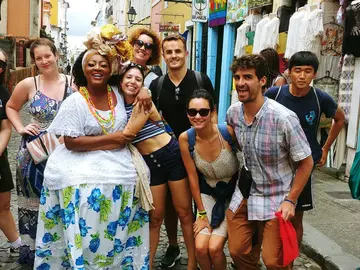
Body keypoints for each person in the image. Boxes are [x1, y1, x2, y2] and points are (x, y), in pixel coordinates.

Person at [34, 26, 152, 269]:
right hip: (78, 161)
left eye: (103, 64)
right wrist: (116, 139)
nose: (98, 68)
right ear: (83, 69)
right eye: (92, 64)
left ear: (111, 70)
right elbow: (71, 142)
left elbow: (137, 82)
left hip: (119, 166)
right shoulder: (75, 101)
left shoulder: (119, 94)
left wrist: (144, 90)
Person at [226, 54, 314, 269]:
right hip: (246, 192)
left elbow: (306, 162)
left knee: (275, 261)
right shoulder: (233, 113)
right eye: (237, 77)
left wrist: (291, 200)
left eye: (247, 77)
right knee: (237, 250)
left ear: (262, 81)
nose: (240, 83)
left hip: (277, 195)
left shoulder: (283, 118)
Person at [149, 34, 217, 268]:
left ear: (186, 53)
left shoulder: (200, 80)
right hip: (167, 154)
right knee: (168, 205)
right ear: (164, 56)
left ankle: (200, 248)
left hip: (196, 151)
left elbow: (213, 113)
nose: (174, 56)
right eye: (169, 52)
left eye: (178, 51)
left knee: (193, 203)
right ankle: (173, 246)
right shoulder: (157, 85)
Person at [264, 51, 345, 248]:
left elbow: (340, 119)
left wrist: (325, 148)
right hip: (275, 164)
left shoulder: (320, 98)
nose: (302, 76)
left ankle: (291, 257)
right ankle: (268, 252)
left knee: (296, 216)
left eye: (307, 71)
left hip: (304, 165)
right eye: (297, 70)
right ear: (289, 72)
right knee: (267, 213)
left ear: (314, 74)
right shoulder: (275, 94)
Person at [121, 62, 196, 269]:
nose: (133, 82)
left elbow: (129, 133)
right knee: (155, 218)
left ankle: (191, 263)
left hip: (170, 156)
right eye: (128, 77)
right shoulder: (116, 104)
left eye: (138, 79)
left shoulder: (143, 101)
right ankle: (149, 264)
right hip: (150, 165)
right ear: (120, 80)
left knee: (184, 213)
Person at [6, 38, 72, 265]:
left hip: (66, 152)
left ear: (56, 55)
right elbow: (11, 107)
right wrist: (21, 127)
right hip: (33, 155)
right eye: (39, 58)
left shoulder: (73, 83)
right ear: (34, 62)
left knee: (62, 204)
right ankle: (32, 255)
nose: (44, 61)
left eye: (47, 56)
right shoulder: (28, 84)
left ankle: (59, 254)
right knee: (31, 206)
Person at [178, 89, 239, 270]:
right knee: (200, 248)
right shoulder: (186, 139)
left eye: (203, 112)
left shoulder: (227, 133)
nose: (198, 116)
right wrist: (202, 214)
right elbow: (193, 178)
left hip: (233, 195)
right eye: (192, 112)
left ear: (212, 112)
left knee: (214, 247)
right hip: (208, 195)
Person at [0, 49, 22, 253]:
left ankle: (17, 244)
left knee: (4, 206)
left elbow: (6, 127)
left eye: (1, 65)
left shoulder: (2, 92)